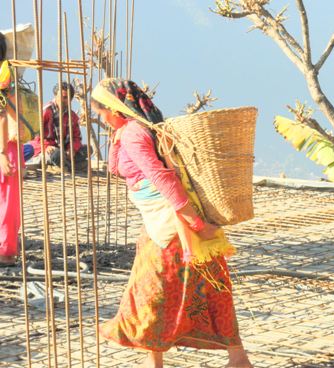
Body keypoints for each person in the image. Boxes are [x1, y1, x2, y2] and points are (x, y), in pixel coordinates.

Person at [91, 78, 253, 368]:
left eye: (100, 111)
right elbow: (116, 169)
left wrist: (194, 223)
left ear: (113, 108)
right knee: (211, 288)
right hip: (165, 223)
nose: (99, 118)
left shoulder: (133, 134)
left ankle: (157, 362)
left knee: (151, 291)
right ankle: (237, 358)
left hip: (170, 224)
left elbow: (162, 178)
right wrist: (115, 141)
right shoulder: (136, 131)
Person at [24, 81, 87, 170]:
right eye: (60, 97)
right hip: (45, 150)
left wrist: (72, 149)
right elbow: (35, 133)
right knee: (56, 155)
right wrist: (46, 146)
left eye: (65, 98)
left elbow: (77, 137)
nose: (62, 100)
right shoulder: (46, 111)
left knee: (87, 150)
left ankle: (65, 165)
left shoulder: (72, 117)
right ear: (55, 96)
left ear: (70, 99)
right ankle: (69, 166)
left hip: (64, 150)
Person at [0, 32, 22, 265]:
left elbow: (2, 115)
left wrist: (2, 154)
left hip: (6, 145)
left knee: (6, 201)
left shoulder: (4, 74)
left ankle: (6, 252)